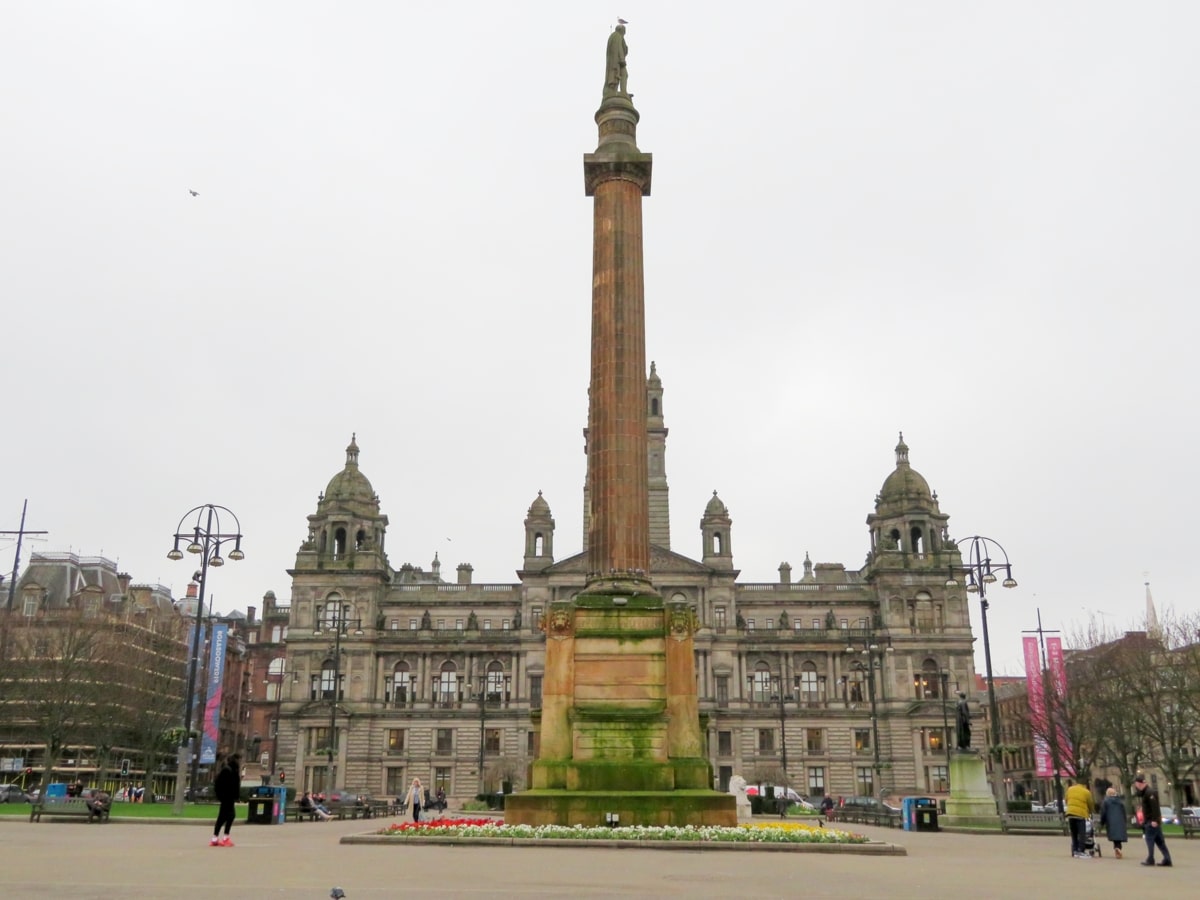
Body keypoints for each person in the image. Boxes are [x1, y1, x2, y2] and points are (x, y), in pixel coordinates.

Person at [1132, 774, 1172, 866]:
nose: (1136, 787)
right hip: (1152, 821)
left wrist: (1154, 820)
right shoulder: (1146, 792)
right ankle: (1167, 858)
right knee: (1160, 841)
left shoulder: (1149, 793)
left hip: (1151, 821)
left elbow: (1155, 808)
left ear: (1139, 784)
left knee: (1149, 840)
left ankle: (1150, 858)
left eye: (1136, 785)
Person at [210, 753, 241, 847]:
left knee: (224, 817)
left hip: (228, 797)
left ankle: (216, 838)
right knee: (229, 816)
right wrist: (223, 796)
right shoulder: (228, 771)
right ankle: (224, 838)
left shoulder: (231, 770)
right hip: (227, 797)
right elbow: (221, 784)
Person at [1065, 778, 1096, 858]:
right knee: (1082, 833)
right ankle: (1081, 850)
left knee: (1074, 833)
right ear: (1085, 785)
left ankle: (1075, 850)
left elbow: (1066, 800)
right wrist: (1091, 811)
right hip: (1080, 814)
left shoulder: (1070, 789)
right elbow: (1090, 804)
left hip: (1070, 813)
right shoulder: (1086, 792)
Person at [1099, 786, 1128, 859]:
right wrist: (1124, 820)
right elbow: (1124, 812)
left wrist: (1102, 822)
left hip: (1111, 821)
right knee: (1118, 837)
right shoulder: (1120, 801)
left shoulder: (1106, 801)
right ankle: (1118, 848)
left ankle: (1117, 848)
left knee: (1115, 837)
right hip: (1120, 821)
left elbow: (1103, 813)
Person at [604, 24, 628, 96]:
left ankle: (622, 92)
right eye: (624, 31)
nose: (624, 33)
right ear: (621, 30)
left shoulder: (615, 36)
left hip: (615, 61)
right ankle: (621, 92)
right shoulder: (617, 36)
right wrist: (622, 59)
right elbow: (618, 48)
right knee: (622, 75)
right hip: (617, 62)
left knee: (621, 75)